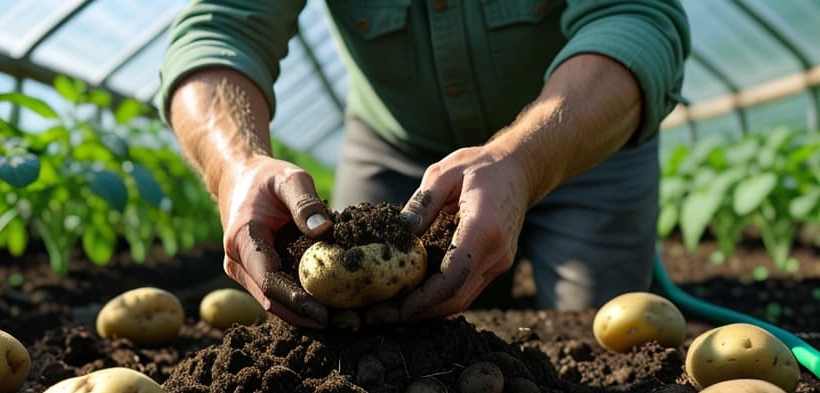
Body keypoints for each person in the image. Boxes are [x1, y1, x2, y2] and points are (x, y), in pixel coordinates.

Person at [158, 1, 690, 329]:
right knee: (364, 326)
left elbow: (636, 17)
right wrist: (238, 165)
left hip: (582, 139)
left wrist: (521, 161)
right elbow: (220, 26)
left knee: (598, 334)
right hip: (395, 148)